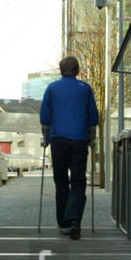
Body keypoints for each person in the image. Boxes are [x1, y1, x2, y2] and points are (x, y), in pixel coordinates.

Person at [39, 56, 100, 239]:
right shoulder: (85, 89)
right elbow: (93, 117)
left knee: (61, 180)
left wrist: (46, 137)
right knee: (78, 180)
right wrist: (92, 137)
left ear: (60, 70)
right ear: (77, 70)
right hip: (79, 139)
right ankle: (75, 220)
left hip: (58, 139)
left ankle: (63, 223)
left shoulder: (52, 88)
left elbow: (45, 116)